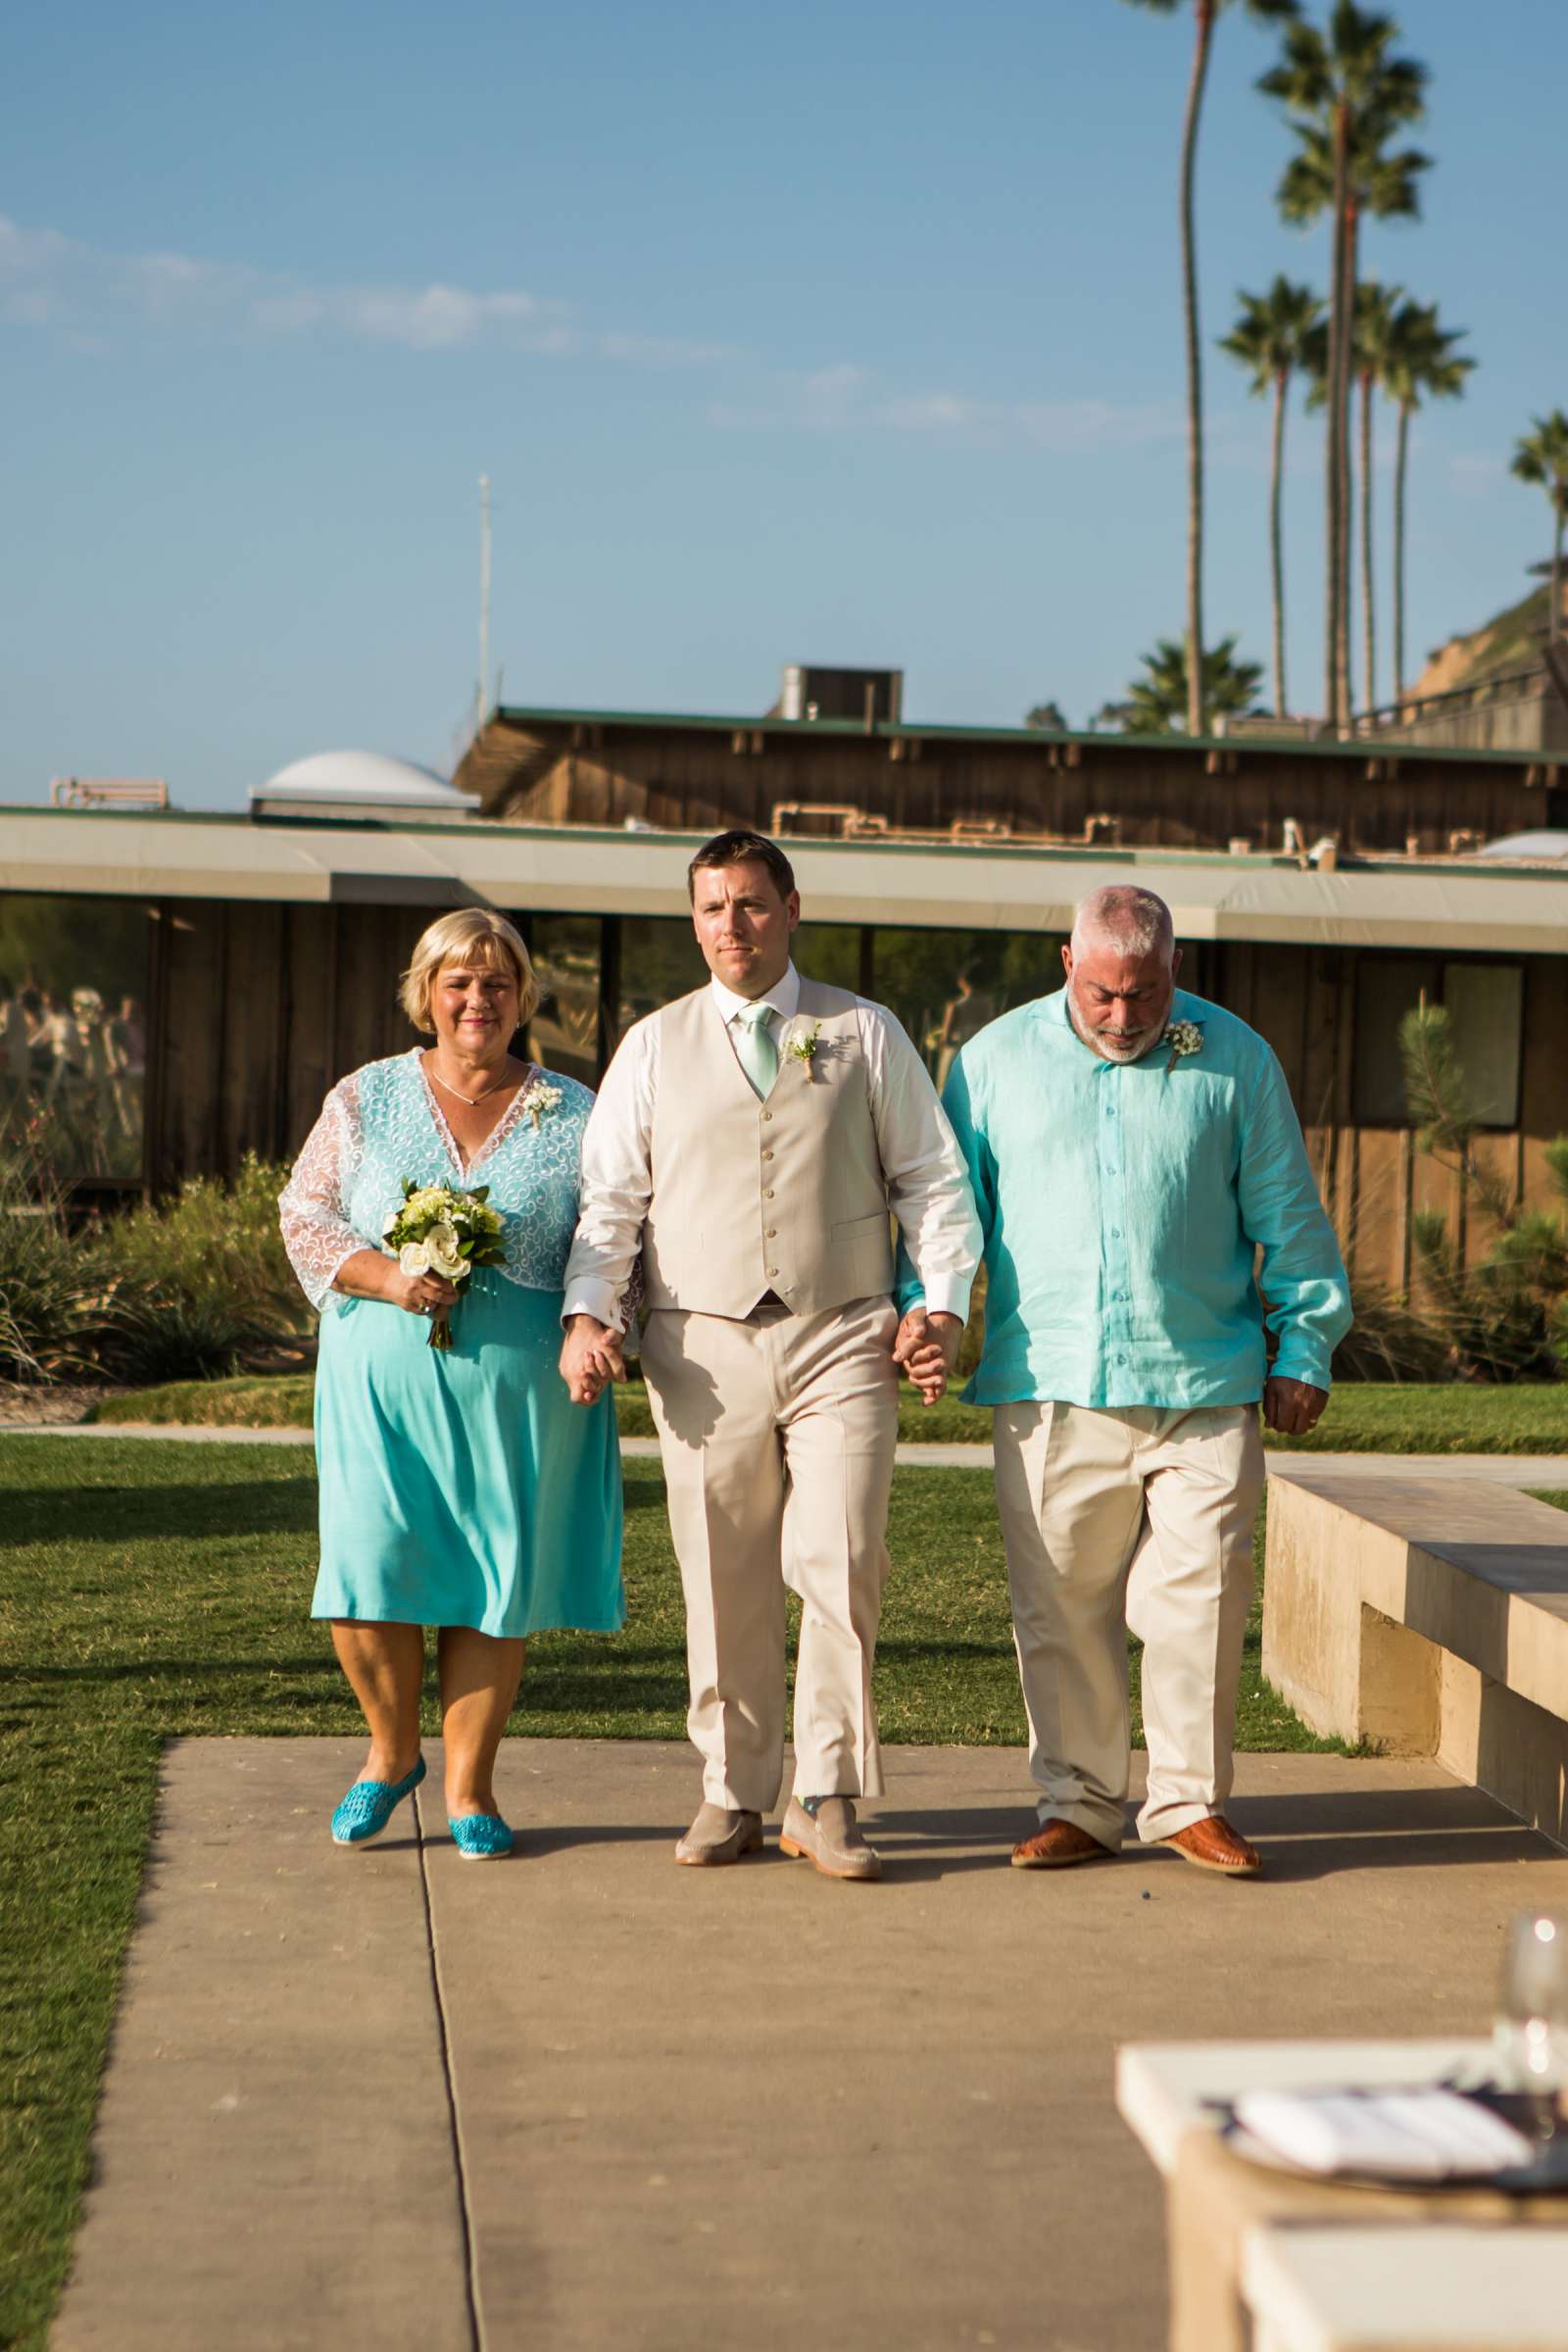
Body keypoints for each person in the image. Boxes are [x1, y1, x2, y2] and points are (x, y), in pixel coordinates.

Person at [560, 829, 981, 1882]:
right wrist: (588, 1314)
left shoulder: (864, 1031)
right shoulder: (652, 1046)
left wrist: (941, 1306)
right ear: (691, 920)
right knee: (720, 1570)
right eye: (711, 908)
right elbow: (610, 1201)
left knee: (841, 1558)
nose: (730, 927)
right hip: (699, 1344)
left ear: (792, 908)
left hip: (843, 1331)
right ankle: (732, 1790)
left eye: (750, 904)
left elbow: (931, 1182)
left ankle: (827, 1794)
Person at [929, 884, 1350, 1880]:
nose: (1126, 1016)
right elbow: (948, 1218)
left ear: (1174, 972)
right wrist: (930, 1312)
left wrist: (1304, 1347)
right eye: (1105, 995)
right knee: (1059, 1604)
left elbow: (1288, 1214)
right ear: (1067, 967)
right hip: (1051, 1382)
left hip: (1202, 1384)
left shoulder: (1235, 1057)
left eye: (1148, 994)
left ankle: (1187, 1803)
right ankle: (1077, 1802)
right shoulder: (990, 1064)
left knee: (1198, 1598)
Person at [279, 906, 624, 1861]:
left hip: (519, 1384)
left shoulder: (576, 1109)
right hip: (379, 1377)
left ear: (522, 998)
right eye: (458, 982)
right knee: (366, 1570)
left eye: (498, 981)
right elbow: (304, 1214)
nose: (479, 999)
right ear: (426, 994)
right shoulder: (365, 1095)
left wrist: (599, 1323)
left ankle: (471, 1788)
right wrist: (390, 1277)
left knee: (492, 1581)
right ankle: (390, 1757)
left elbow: (613, 1233)